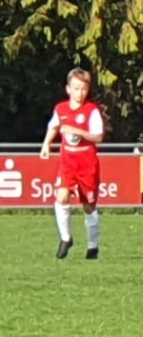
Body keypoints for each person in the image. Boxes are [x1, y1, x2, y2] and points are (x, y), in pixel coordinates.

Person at [40, 68, 105, 260]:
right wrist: (46, 144)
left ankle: (93, 247)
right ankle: (66, 238)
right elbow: (54, 126)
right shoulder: (61, 109)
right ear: (68, 89)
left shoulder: (91, 110)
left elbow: (98, 136)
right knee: (61, 197)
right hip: (68, 160)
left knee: (89, 206)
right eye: (76, 89)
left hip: (87, 162)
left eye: (84, 89)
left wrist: (79, 132)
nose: (80, 93)